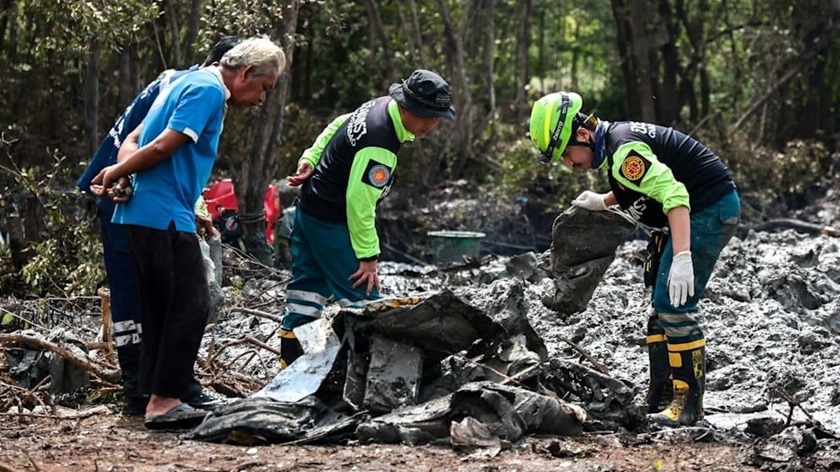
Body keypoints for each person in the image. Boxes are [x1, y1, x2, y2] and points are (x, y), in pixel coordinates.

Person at [90, 36, 286, 429]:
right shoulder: (210, 90)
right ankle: (165, 401)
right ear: (246, 72)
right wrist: (117, 172)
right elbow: (163, 145)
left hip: (151, 212)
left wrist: (130, 176)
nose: (261, 99)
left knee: (162, 307)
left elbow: (134, 139)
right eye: (263, 88)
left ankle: (153, 396)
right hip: (161, 215)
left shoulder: (182, 81)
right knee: (191, 304)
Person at [528, 92, 740, 427]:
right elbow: (641, 186)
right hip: (687, 213)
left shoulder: (625, 150)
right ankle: (661, 396)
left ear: (583, 134)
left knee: (674, 305)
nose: (569, 164)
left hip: (707, 211)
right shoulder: (616, 145)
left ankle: (688, 407)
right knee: (659, 308)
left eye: (567, 154)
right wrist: (604, 201)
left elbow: (674, 195)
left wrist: (682, 255)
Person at [279, 69, 456, 368]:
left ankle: (291, 365)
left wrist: (310, 157)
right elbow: (359, 204)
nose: (431, 124)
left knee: (306, 292)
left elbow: (338, 124)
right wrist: (368, 256)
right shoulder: (381, 144)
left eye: (437, 117)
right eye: (426, 115)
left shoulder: (378, 106)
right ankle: (370, 372)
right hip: (332, 223)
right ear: (405, 107)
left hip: (308, 209)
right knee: (365, 302)